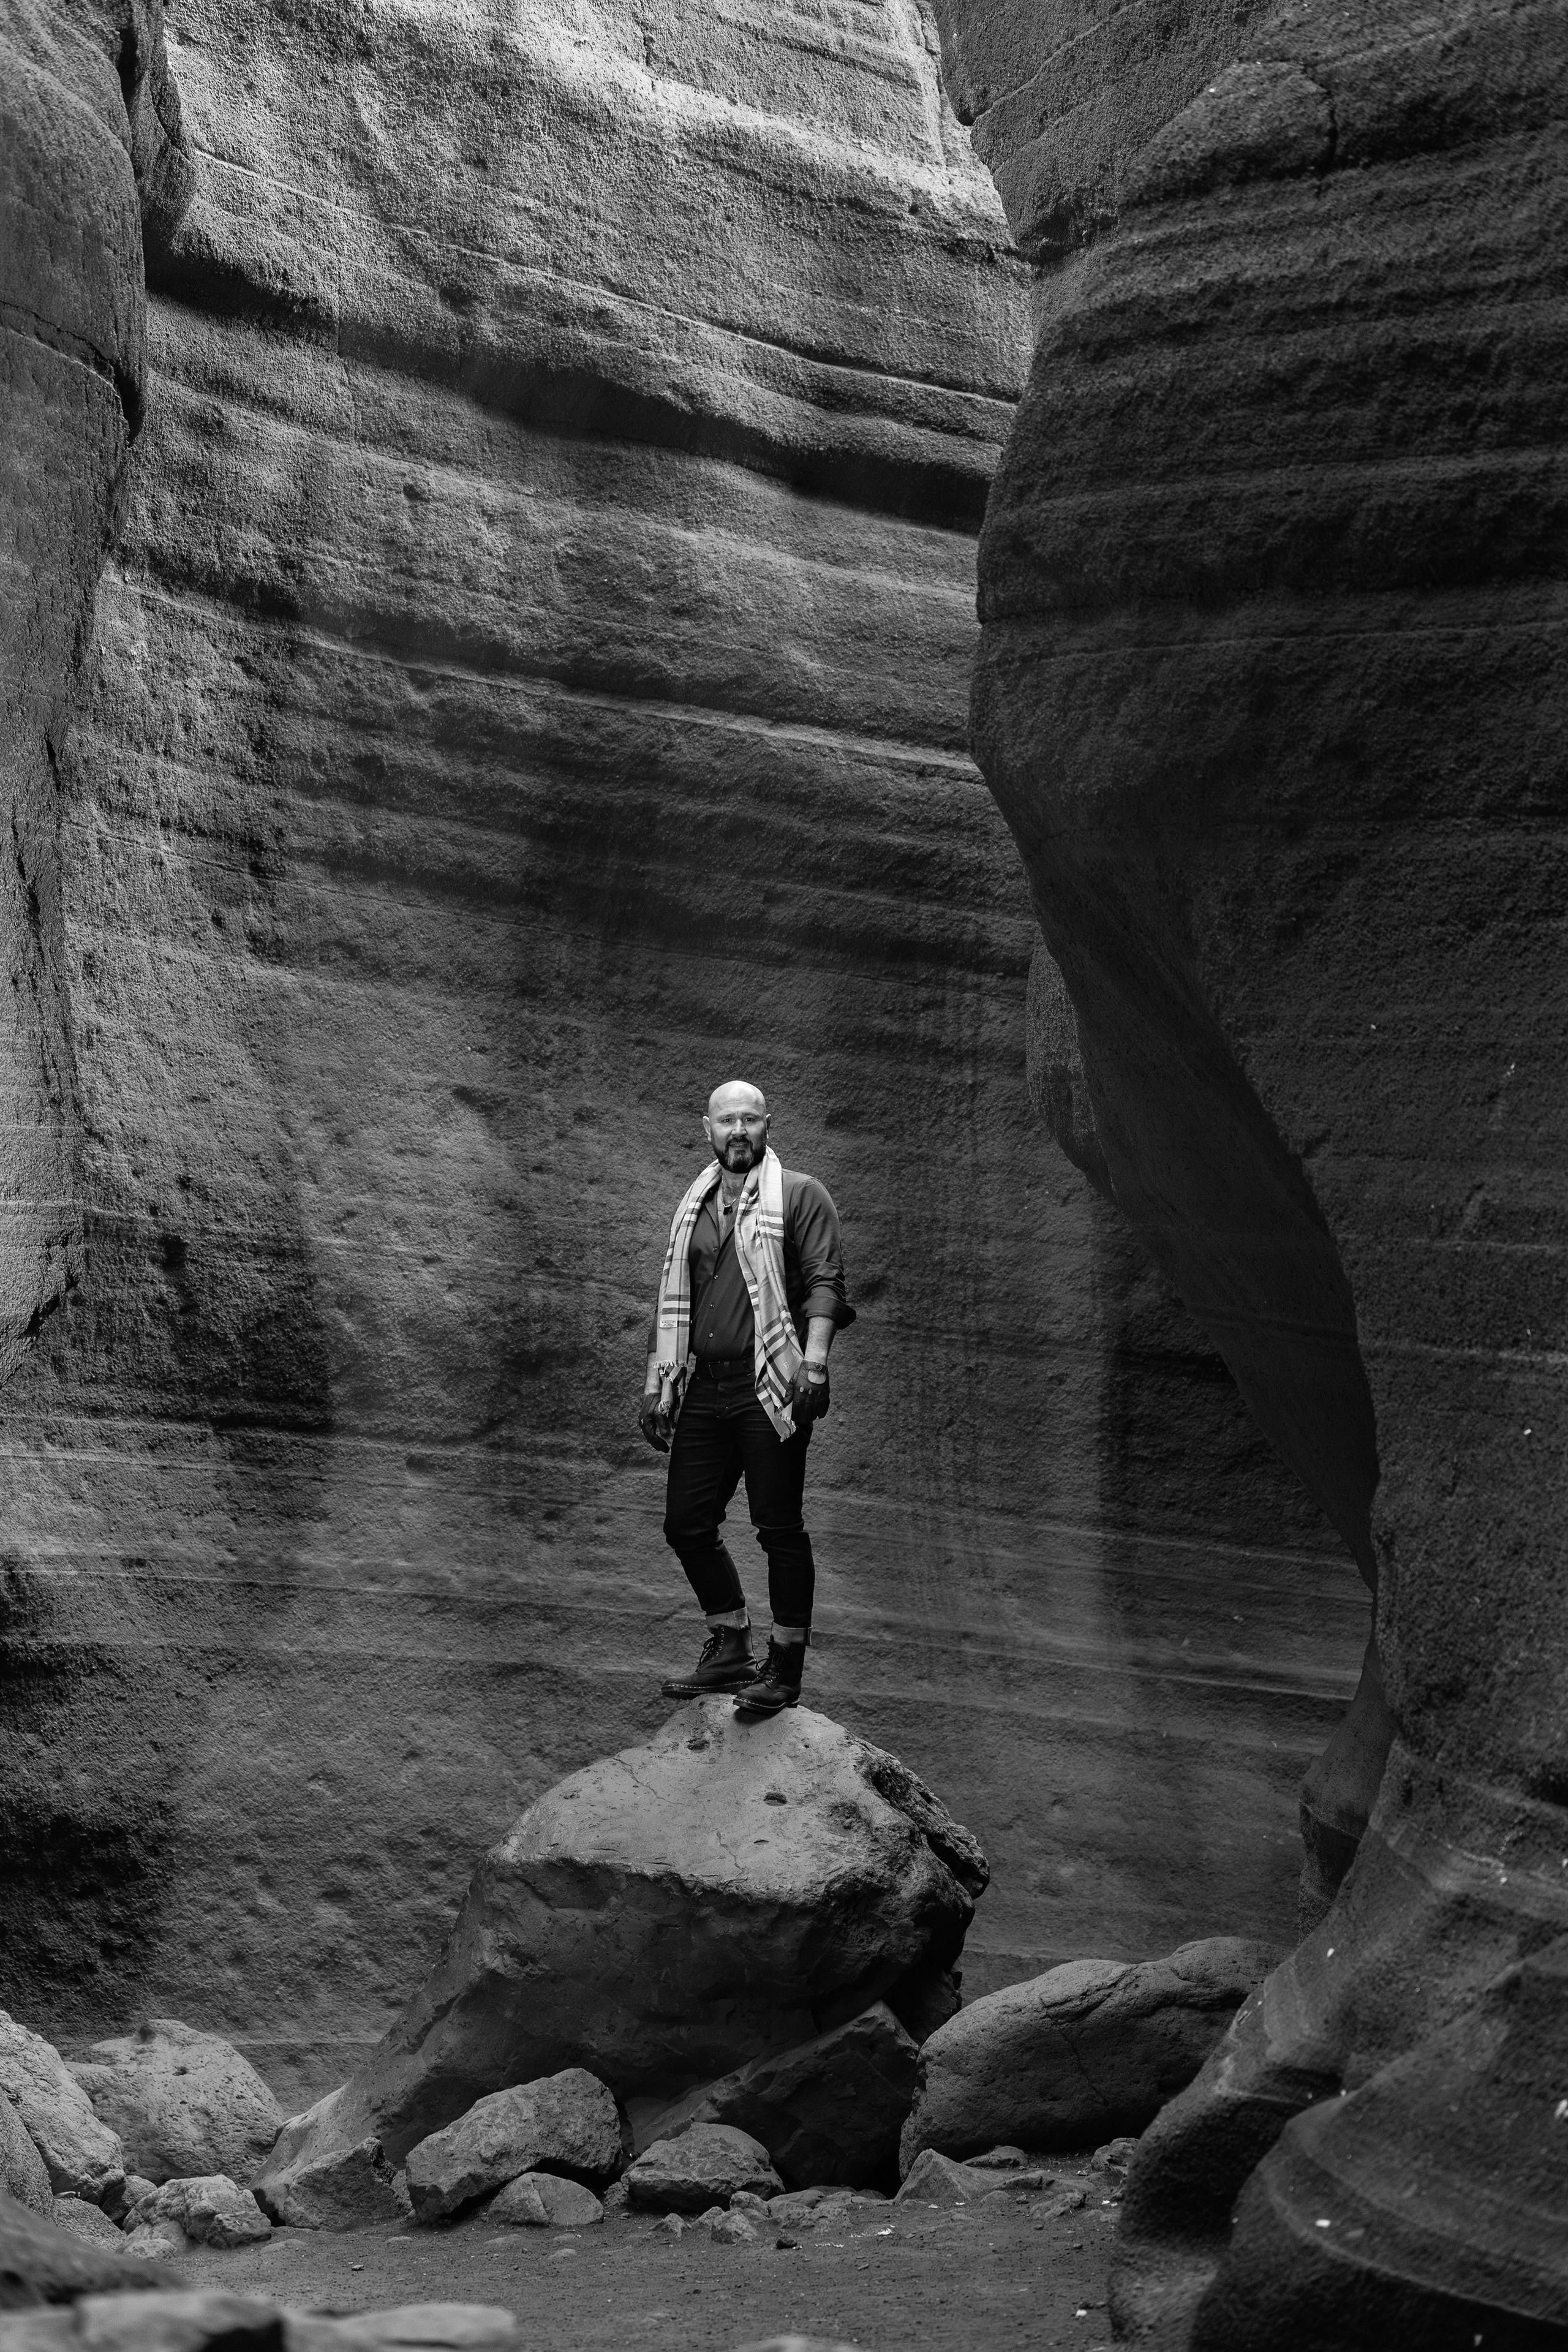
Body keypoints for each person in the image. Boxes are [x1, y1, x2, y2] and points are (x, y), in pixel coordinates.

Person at [639, 1080, 854, 1714]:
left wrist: (813, 1364)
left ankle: (784, 1669)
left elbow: (825, 1283)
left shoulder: (799, 1194)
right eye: (726, 1120)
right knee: (686, 1523)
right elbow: (673, 1298)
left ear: (767, 1126)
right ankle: (729, 1643)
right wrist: (659, 1384)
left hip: (772, 1382)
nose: (739, 1130)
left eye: (750, 1120)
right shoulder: (696, 1204)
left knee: (778, 1527)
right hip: (705, 1383)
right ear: (705, 1128)